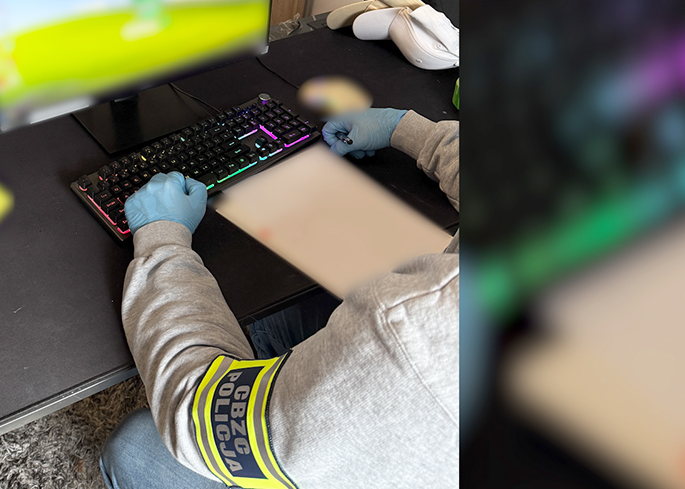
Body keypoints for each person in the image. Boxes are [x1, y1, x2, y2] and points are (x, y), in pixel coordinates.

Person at [100, 107, 459, 489]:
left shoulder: (419, 353)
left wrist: (162, 238)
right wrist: (413, 131)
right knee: (291, 306)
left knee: (136, 450)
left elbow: (197, 410)